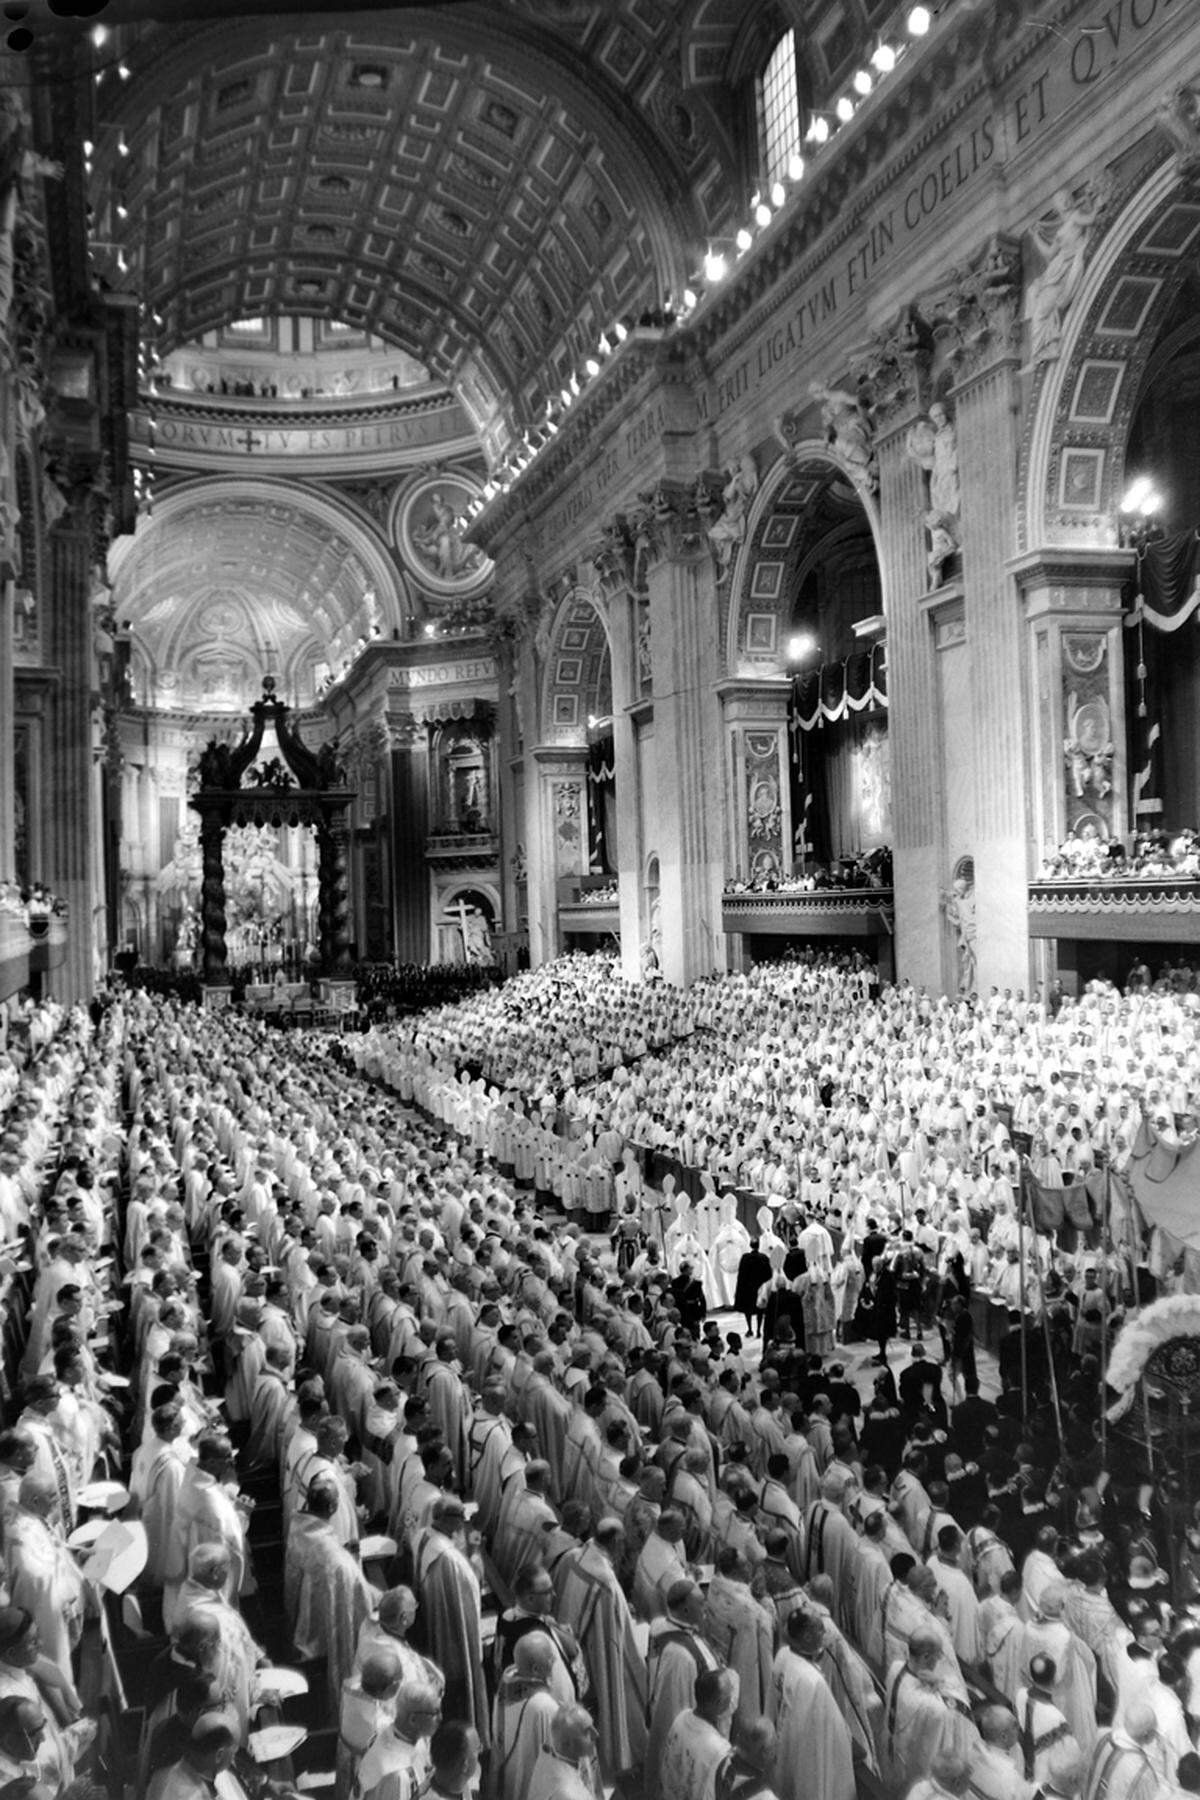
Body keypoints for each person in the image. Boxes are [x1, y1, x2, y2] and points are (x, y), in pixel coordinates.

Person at [659, 1665, 739, 1800]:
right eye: (729, 1691)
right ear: (718, 1703)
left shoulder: (681, 1717)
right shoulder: (719, 1749)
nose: (732, 1694)